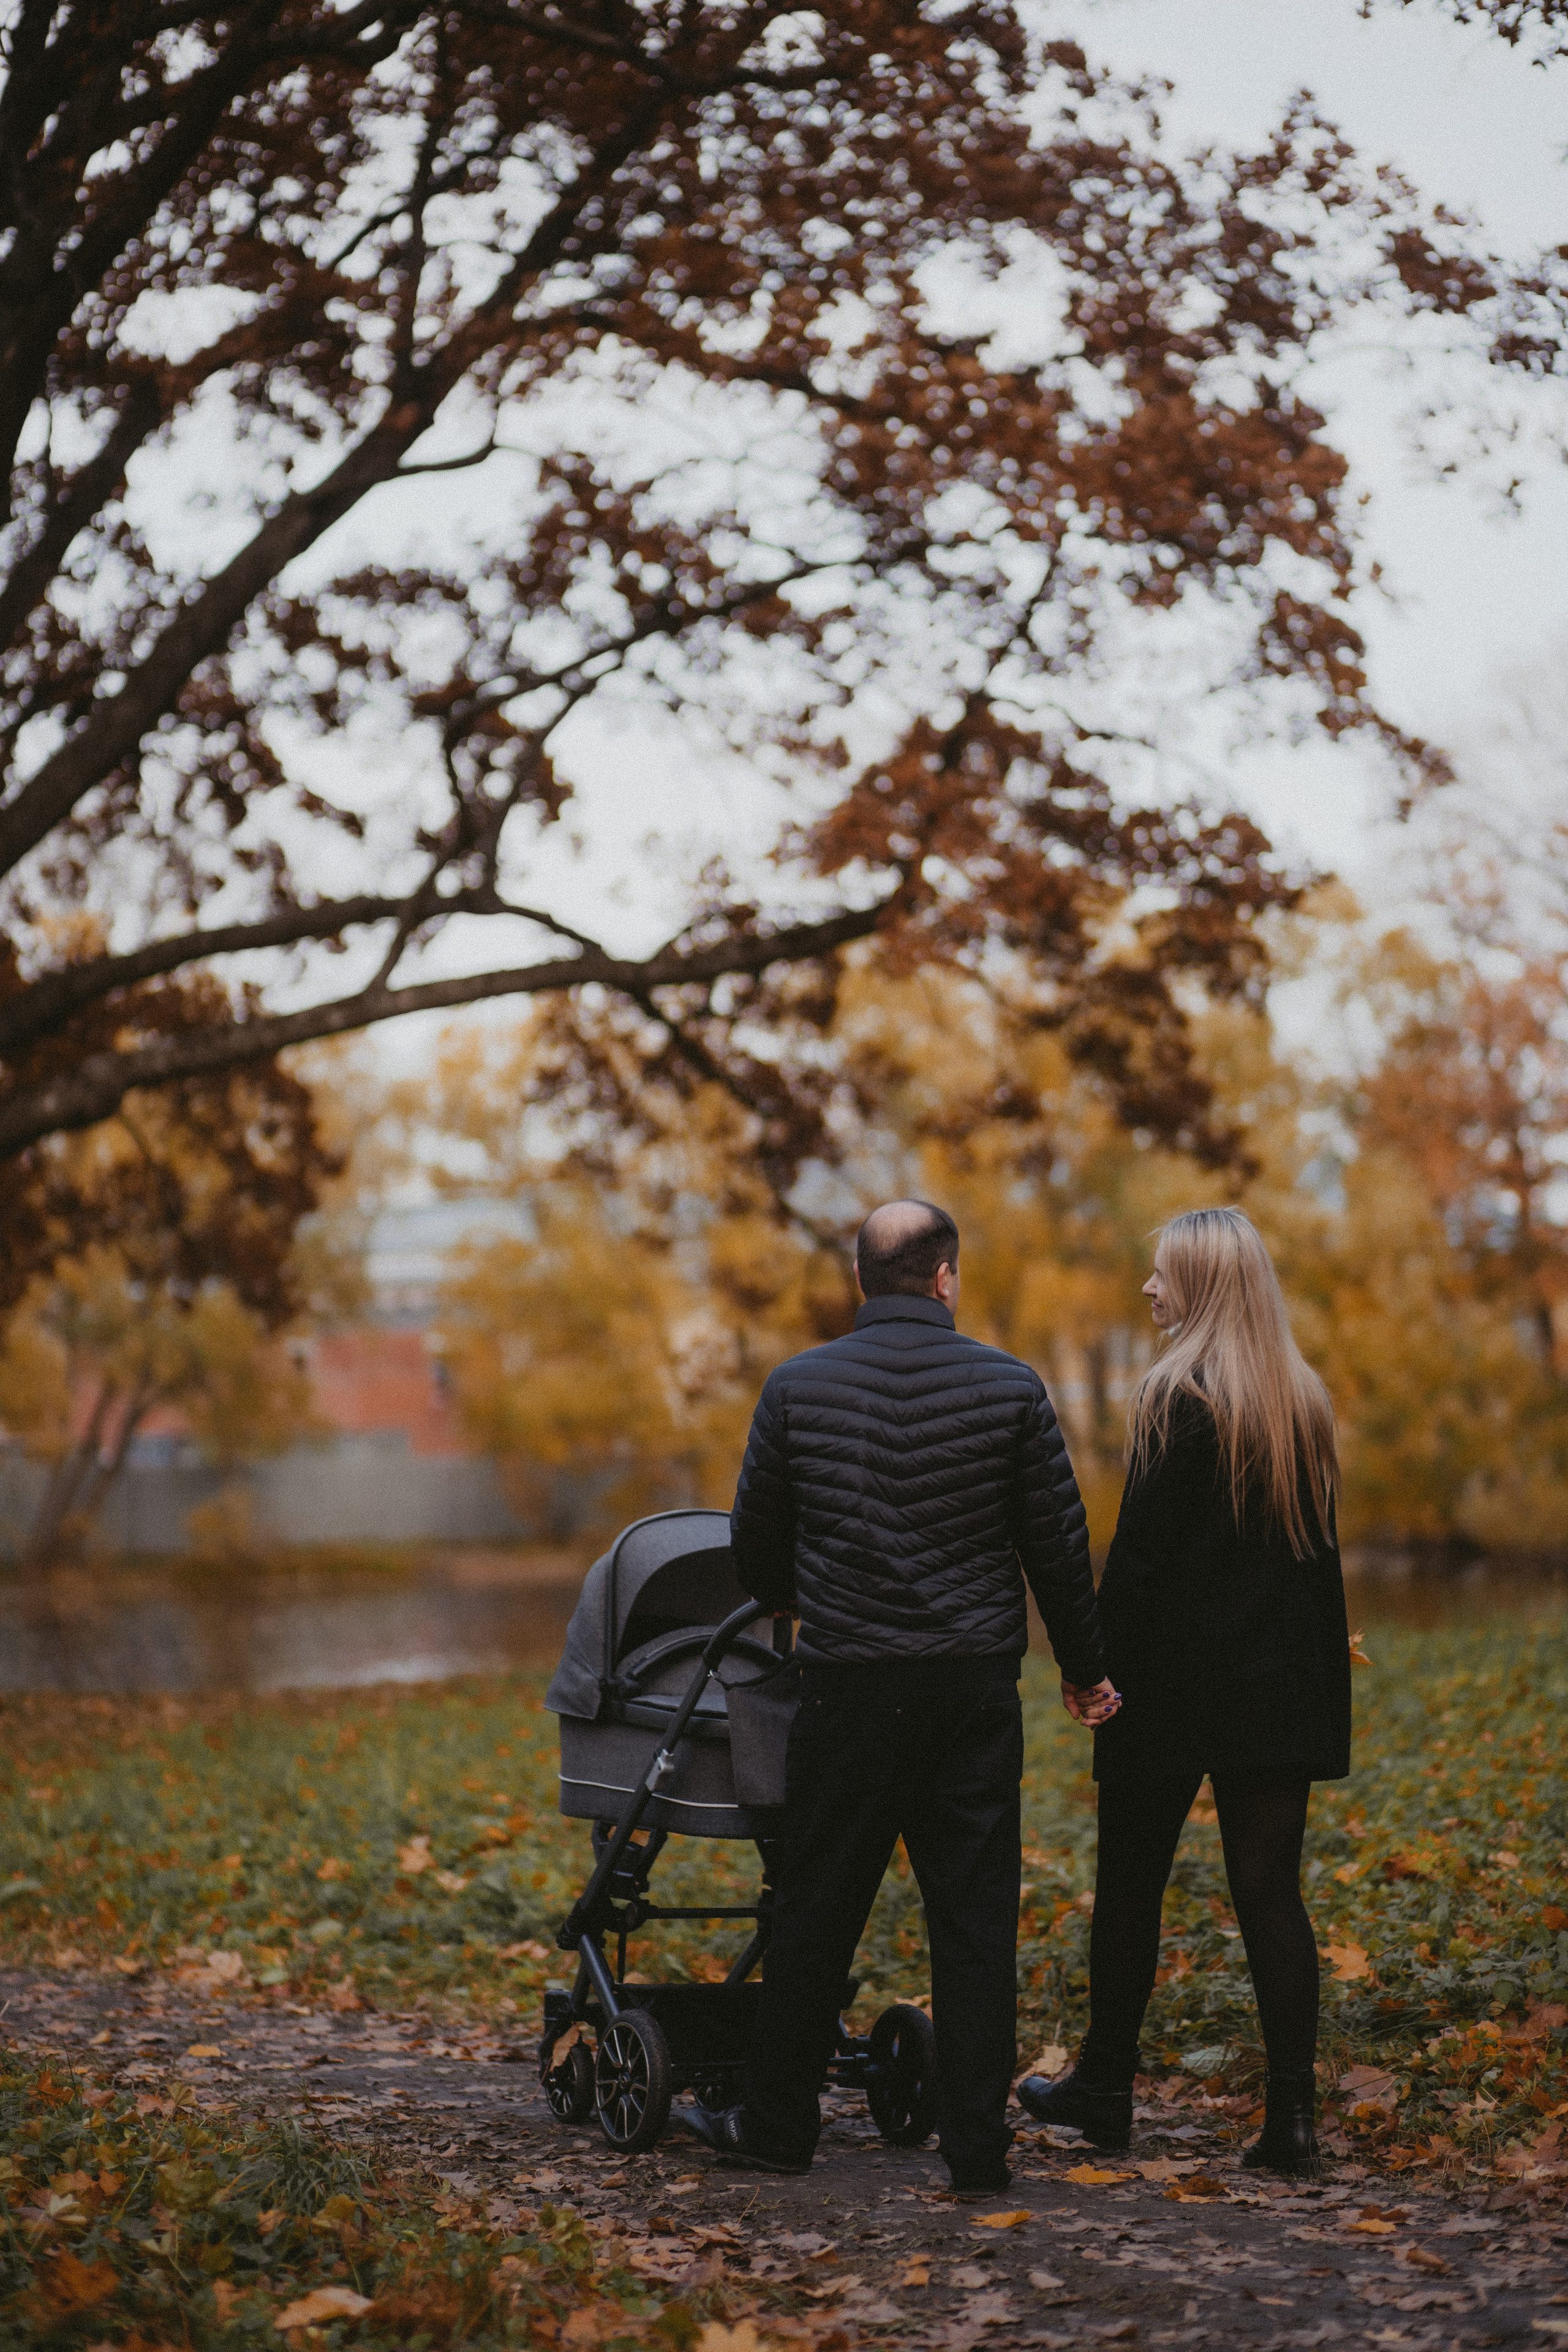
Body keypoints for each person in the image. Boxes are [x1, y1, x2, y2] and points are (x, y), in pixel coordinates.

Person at [688, 1199, 1120, 2194]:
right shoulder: (1011, 1387)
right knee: (974, 1924)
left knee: (814, 1907)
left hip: (846, 1691)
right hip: (971, 1693)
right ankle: (977, 2153)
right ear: (945, 1278)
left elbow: (755, 1549)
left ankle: (779, 2128)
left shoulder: (796, 1387)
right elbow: (1056, 1545)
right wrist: (1086, 1670)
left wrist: (820, 1598)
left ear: (860, 1280)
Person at [1017, 1206, 1349, 2178]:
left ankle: (1103, 2091)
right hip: (1277, 1690)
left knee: (1130, 1883)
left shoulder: (1174, 1395)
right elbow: (1315, 1572)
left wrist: (1091, 1669)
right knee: (1270, 1894)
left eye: (1164, 1275)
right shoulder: (1303, 1400)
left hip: (1168, 1691)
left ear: (1203, 1286)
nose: (1149, 1290)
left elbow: (1144, 1567)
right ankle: (1292, 2124)